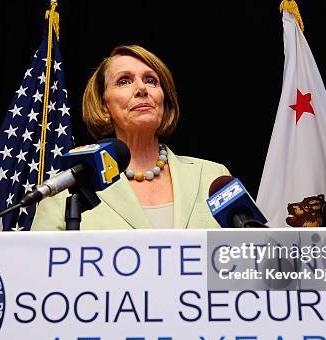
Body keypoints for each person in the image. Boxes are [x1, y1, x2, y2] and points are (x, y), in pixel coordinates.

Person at [32, 45, 230, 230]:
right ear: (103, 106)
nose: (141, 89)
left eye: (151, 80)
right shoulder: (67, 188)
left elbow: (251, 252)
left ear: (164, 99)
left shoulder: (213, 177)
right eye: (124, 81)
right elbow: (39, 263)